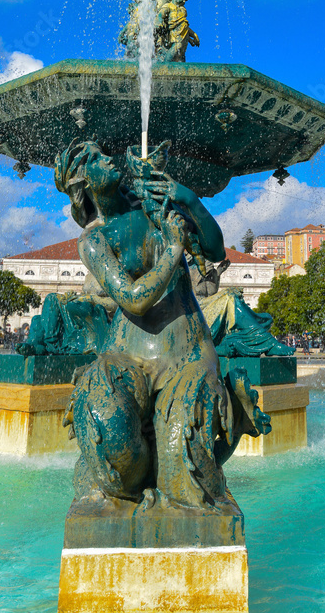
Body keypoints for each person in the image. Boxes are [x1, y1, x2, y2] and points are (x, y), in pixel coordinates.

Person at [55, 137, 258, 514]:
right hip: (125, 355)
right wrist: (173, 250)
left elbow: (215, 251)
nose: (109, 159)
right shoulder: (94, 240)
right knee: (114, 454)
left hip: (187, 354)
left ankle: (226, 414)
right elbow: (132, 299)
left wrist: (189, 199)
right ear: (84, 185)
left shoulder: (154, 206)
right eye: (97, 160)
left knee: (183, 475)